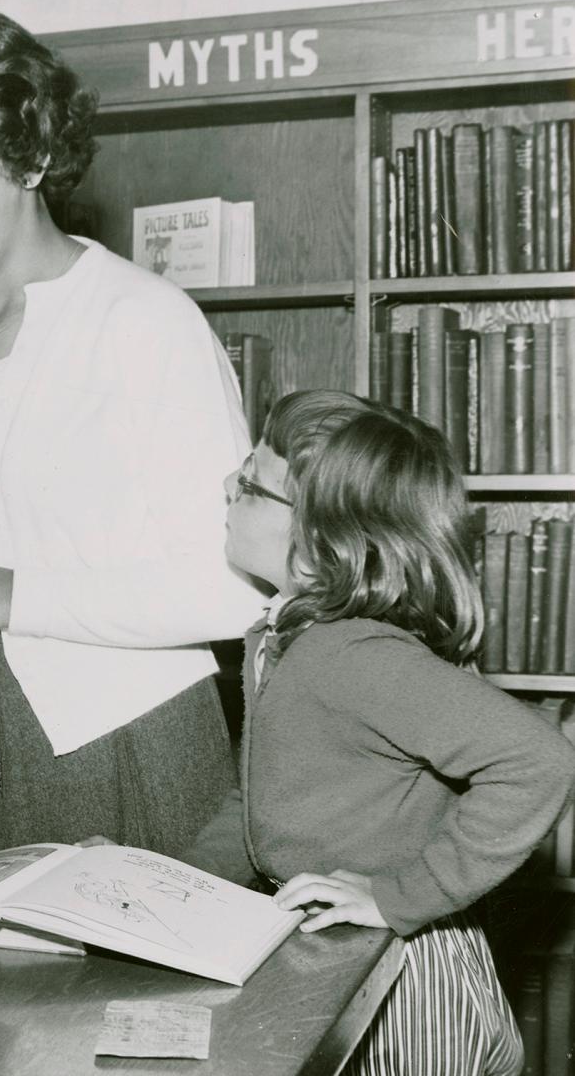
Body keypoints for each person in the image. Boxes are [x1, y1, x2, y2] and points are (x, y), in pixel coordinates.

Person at [0, 10, 265, 853]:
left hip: (124, 744)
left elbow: (235, 588)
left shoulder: (146, 321)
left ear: (29, 156)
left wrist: (10, 595)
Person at [185, 389, 575, 1076]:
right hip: (335, 950)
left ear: (315, 531)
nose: (226, 486)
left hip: (405, 974)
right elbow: (260, 801)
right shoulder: (282, 636)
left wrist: (400, 895)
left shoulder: (353, 655)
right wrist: (161, 884)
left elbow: (538, 759)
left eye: (250, 483)